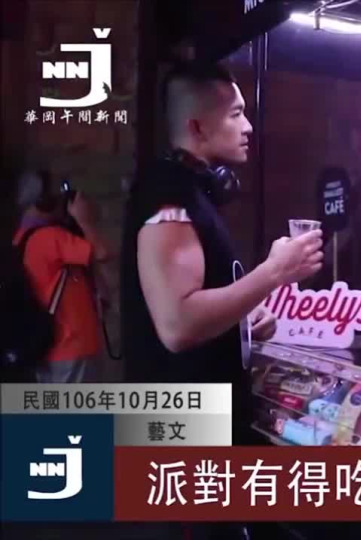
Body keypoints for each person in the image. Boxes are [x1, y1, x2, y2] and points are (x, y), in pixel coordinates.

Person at [121, 61, 323, 445]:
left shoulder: (194, 194)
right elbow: (178, 325)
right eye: (236, 114)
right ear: (197, 127)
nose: (248, 127)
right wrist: (273, 273)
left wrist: (241, 319)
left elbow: (200, 298)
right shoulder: (170, 198)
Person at [12, 169, 112, 382]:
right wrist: (85, 220)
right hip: (72, 347)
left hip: (47, 347)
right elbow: (102, 252)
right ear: (44, 202)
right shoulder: (52, 238)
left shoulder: (21, 238)